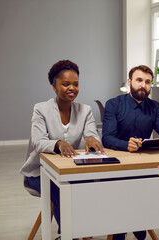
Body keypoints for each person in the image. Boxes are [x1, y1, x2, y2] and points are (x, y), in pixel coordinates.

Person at [20, 60, 104, 239]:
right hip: (38, 173)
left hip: (68, 170)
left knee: (89, 186)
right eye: (65, 84)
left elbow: (91, 134)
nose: (71, 88)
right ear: (54, 86)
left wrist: (91, 137)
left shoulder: (85, 110)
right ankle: (68, 235)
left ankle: (85, 229)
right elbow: (38, 142)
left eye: (75, 84)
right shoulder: (40, 109)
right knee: (60, 188)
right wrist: (57, 144)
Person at [102, 65, 159, 240]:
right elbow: (106, 138)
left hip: (144, 167)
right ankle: (123, 232)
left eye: (147, 82)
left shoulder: (154, 106)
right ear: (129, 82)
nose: (143, 85)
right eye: (139, 80)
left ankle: (139, 223)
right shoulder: (113, 104)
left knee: (149, 192)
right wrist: (125, 145)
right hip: (118, 167)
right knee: (124, 196)